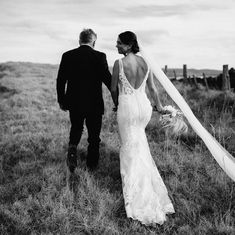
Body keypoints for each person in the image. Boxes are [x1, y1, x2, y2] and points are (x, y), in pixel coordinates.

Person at [111, 31, 175, 225]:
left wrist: (116, 105)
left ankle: (137, 196)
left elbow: (114, 89)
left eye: (119, 43)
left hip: (128, 108)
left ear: (129, 45)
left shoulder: (119, 64)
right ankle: (147, 181)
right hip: (144, 108)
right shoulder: (146, 63)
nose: (116, 46)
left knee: (129, 149)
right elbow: (153, 89)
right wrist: (160, 106)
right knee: (139, 144)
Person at [56, 28, 112, 173]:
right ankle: (91, 166)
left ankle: (72, 148)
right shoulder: (99, 56)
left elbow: (61, 80)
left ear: (79, 40)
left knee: (76, 128)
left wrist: (61, 100)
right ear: (94, 41)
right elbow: (108, 80)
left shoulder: (68, 55)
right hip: (94, 103)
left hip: (74, 102)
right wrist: (120, 94)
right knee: (94, 136)